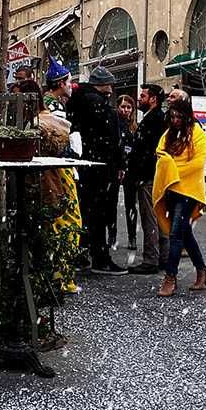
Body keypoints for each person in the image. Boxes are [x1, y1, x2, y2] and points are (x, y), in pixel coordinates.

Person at [19, 79, 82, 295]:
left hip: (54, 177)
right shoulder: (34, 118)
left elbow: (66, 150)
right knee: (54, 225)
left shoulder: (44, 120)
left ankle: (60, 275)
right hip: (47, 179)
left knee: (62, 223)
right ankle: (52, 275)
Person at [67, 66, 126, 275]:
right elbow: (111, 137)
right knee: (99, 213)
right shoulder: (97, 104)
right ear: (103, 85)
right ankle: (100, 257)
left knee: (87, 210)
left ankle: (82, 253)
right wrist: (119, 163)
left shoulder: (78, 100)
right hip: (100, 167)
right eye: (109, 85)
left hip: (87, 166)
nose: (111, 89)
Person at [152, 98, 206, 297]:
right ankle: (202, 270)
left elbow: (198, 163)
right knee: (184, 233)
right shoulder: (168, 134)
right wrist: (170, 171)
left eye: (179, 116)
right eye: (172, 116)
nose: (175, 120)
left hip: (188, 192)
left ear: (187, 116)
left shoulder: (197, 134)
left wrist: (172, 171)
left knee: (176, 234)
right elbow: (160, 154)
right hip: (171, 190)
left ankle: (170, 278)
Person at [128, 84, 168, 275]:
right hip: (154, 175)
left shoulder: (154, 120)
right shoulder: (156, 119)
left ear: (153, 99)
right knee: (158, 217)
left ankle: (152, 258)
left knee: (150, 217)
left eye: (143, 96)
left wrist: (140, 175)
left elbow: (148, 151)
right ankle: (163, 257)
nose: (139, 99)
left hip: (149, 176)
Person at [112, 95, 138, 250]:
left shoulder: (134, 127)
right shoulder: (115, 124)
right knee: (112, 204)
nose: (126, 110)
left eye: (129, 107)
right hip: (116, 169)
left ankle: (132, 237)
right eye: (123, 107)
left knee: (130, 205)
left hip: (130, 171)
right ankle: (113, 235)